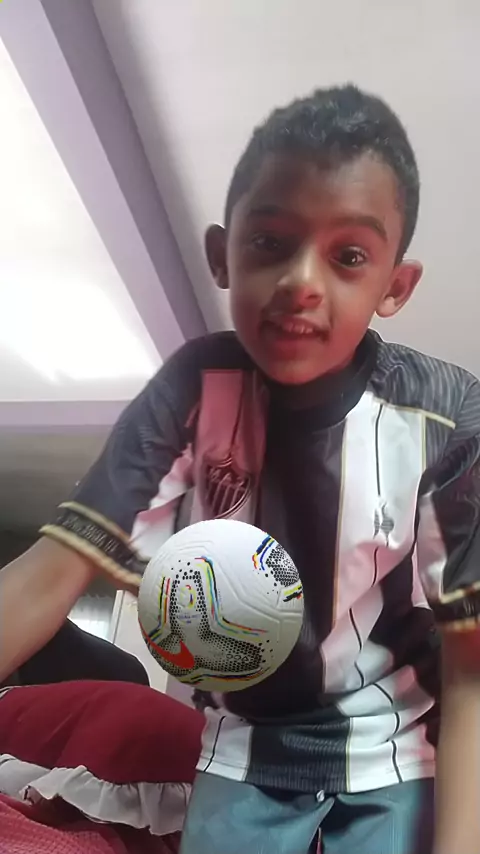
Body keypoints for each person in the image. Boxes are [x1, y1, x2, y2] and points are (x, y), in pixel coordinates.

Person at [1, 84, 480, 854]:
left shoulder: (447, 414)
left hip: (396, 747)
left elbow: (470, 663)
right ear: (223, 256)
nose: (302, 283)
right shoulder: (192, 393)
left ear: (394, 286)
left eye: (349, 256)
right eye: (270, 242)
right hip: (244, 745)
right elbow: (50, 572)